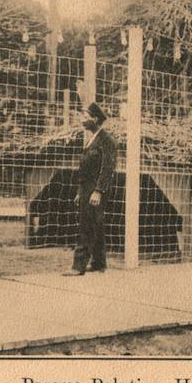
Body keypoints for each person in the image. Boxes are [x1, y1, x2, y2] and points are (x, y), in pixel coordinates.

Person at [64, 101, 118, 276]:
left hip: (96, 190)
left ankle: (78, 266)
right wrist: (81, 191)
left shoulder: (107, 141)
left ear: (95, 119)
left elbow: (108, 168)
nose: (82, 120)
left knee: (87, 225)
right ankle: (99, 263)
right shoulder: (91, 139)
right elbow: (85, 170)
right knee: (96, 223)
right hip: (87, 188)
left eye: (86, 117)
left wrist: (98, 191)